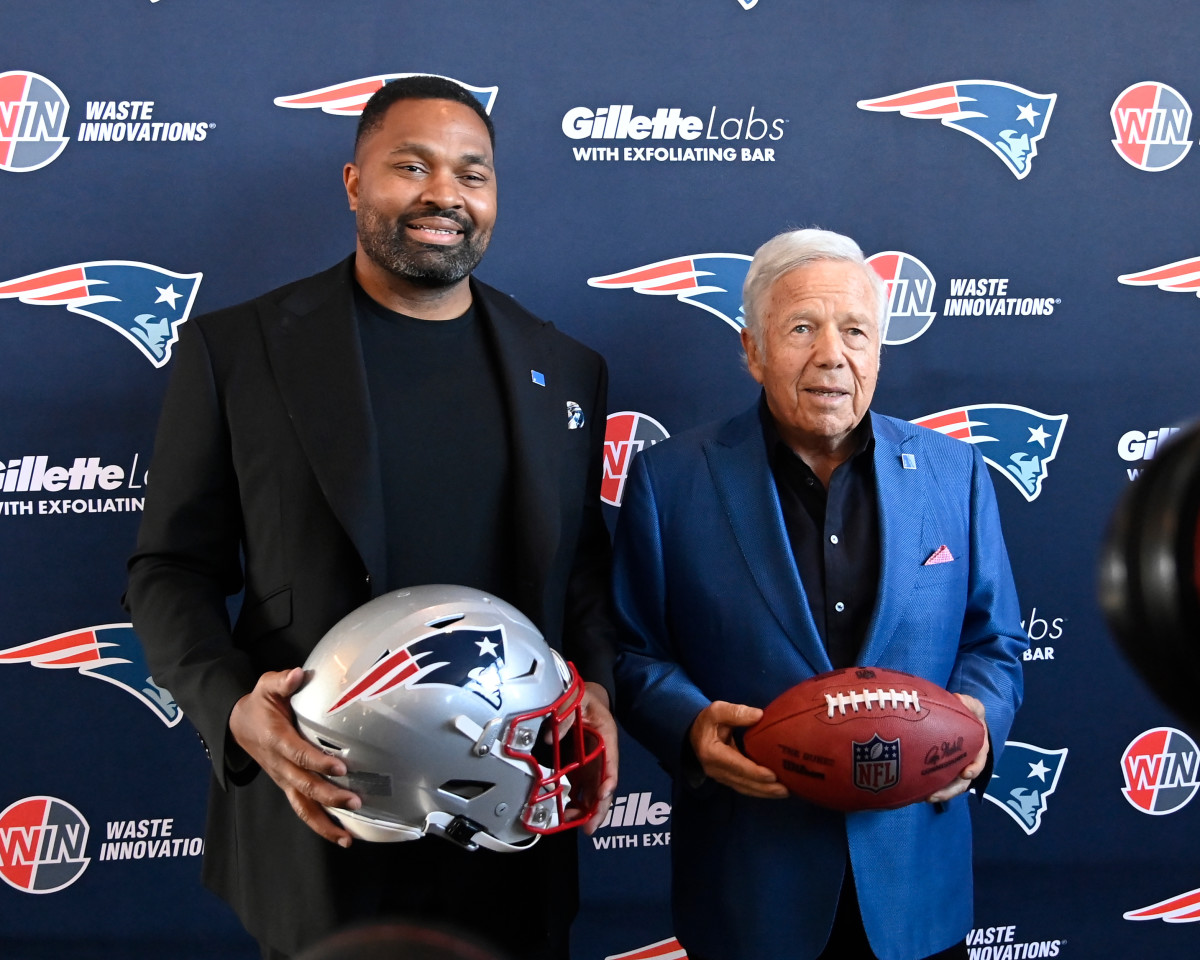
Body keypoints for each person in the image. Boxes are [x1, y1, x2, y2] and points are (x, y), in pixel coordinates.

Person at [125, 75, 618, 960]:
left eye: (474, 173)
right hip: (323, 811)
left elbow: (582, 568)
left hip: (512, 811)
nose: (445, 195)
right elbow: (171, 569)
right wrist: (232, 707)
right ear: (354, 183)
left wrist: (601, 696)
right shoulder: (237, 350)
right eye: (411, 165)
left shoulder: (567, 368)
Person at [610, 228, 1026, 960]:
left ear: (878, 351)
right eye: (802, 328)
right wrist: (691, 728)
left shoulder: (954, 474)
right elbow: (634, 651)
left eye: (856, 331)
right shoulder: (669, 480)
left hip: (913, 888)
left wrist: (978, 721)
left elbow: (995, 643)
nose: (832, 354)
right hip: (751, 888)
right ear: (753, 350)